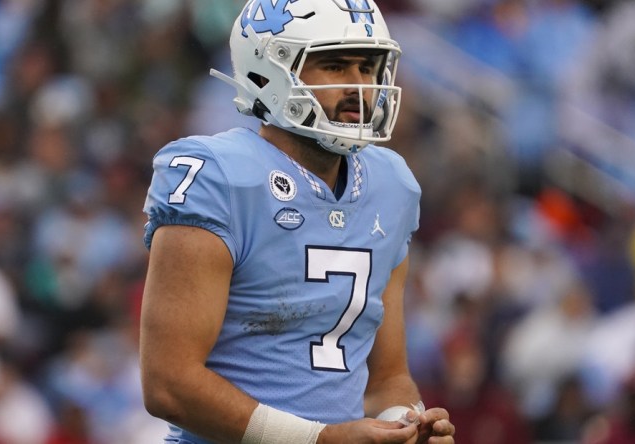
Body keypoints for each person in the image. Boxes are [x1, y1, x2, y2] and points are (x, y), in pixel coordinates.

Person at [139, 1, 455, 443]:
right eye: (334, 66)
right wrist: (320, 440)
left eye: (368, 67)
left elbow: (386, 379)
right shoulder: (216, 174)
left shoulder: (391, 182)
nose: (359, 86)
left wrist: (404, 421)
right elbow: (168, 384)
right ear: (269, 72)